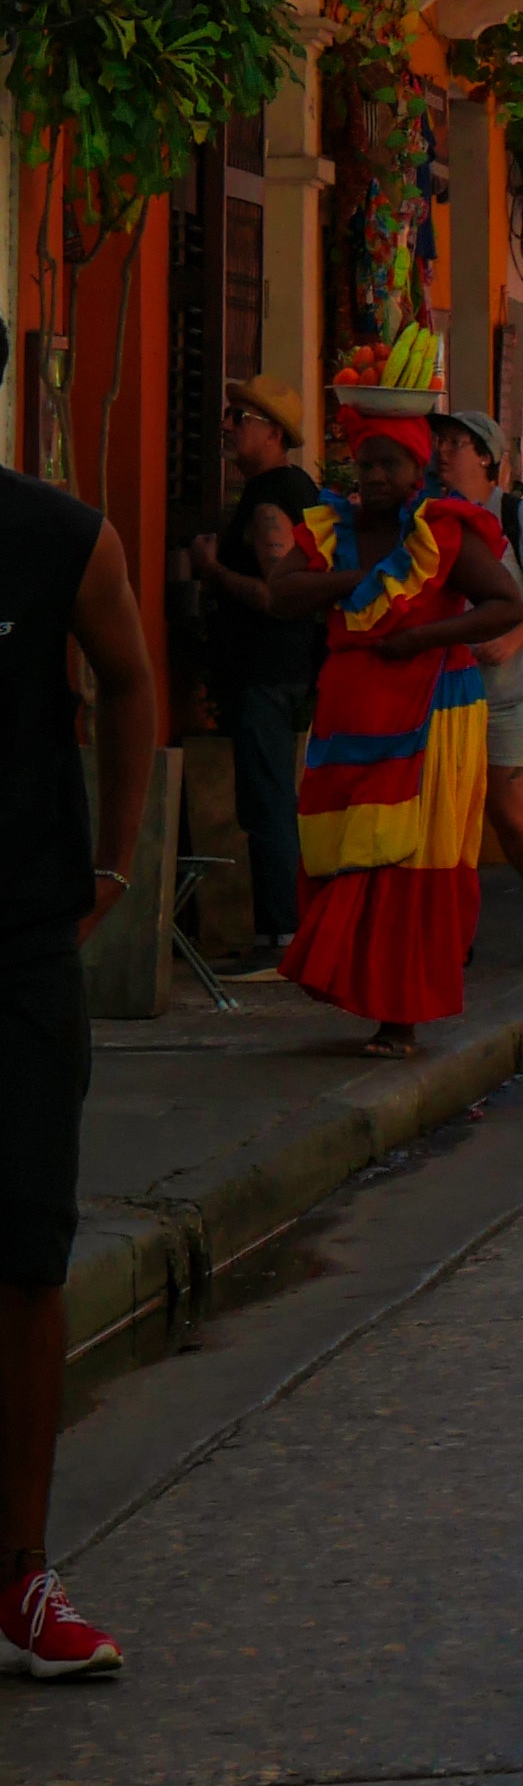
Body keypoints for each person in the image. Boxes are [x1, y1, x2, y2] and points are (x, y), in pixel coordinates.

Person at [0, 462, 155, 1678]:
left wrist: (114, 859)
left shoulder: (60, 536)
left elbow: (130, 676)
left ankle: (20, 1577)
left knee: (24, 1257)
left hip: (16, 948)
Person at [266, 411, 515, 1057]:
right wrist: (362, 581)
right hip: (352, 708)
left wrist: (422, 637)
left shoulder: (442, 528)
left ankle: (399, 1018)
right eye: (364, 463)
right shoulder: (330, 526)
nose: (374, 476)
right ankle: (356, 987)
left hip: (433, 708)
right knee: (346, 845)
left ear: (417, 470)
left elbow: (506, 605)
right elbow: (282, 594)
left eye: (389, 464)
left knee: (409, 859)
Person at [186, 374, 323, 959]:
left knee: (266, 802)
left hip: (268, 672)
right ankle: (285, 928)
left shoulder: (272, 499)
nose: (227, 426)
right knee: (273, 798)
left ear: (272, 432)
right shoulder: (297, 490)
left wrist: (212, 571)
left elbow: (276, 593)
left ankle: (280, 936)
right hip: (292, 668)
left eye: (239, 417)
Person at [430, 413, 523, 965]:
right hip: (449, 689)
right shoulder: (431, 516)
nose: (442, 453)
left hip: (516, 689)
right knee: (451, 813)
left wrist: (511, 640)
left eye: (455, 444)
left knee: (511, 814)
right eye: (438, 443)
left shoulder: (516, 516)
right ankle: (457, 923)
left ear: (486, 456)